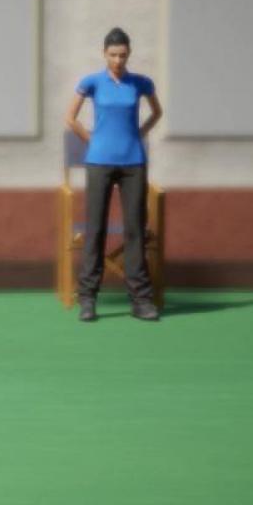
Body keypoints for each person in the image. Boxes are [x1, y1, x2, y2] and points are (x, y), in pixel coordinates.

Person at [65, 27, 163, 322]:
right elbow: (70, 118)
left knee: (135, 230)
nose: (118, 60)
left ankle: (141, 300)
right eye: (113, 55)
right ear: (104, 54)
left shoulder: (141, 83)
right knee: (96, 229)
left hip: (134, 162)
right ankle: (87, 299)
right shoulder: (92, 82)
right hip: (99, 163)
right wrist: (91, 139)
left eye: (122, 55)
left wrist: (139, 133)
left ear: (128, 54)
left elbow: (157, 112)